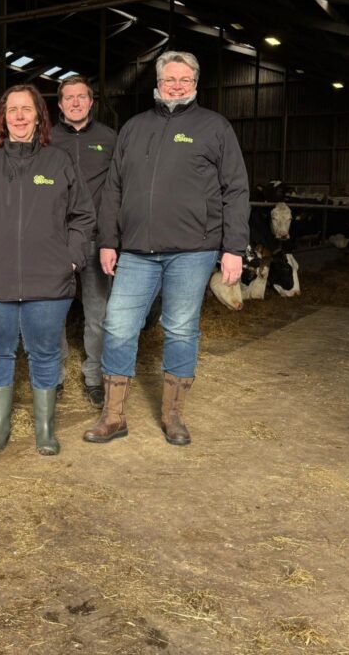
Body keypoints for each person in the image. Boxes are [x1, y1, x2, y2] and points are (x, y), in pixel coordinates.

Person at [86, 50, 249, 446]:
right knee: (118, 325)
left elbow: (235, 188)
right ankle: (113, 415)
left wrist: (234, 247)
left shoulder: (215, 127)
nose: (177, 86)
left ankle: (173, 415)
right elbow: (113, 188)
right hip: (136, 250)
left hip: (193, 249)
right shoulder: (134, 128)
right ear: (157, 83)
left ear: (195, 84)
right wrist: (108, 240)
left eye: (184, 79)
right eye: (169, 79)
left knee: (180, 328)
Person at [0, 84, 95, 456]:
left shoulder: (59, 161)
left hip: (49, 280)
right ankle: (0, 423)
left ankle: (45, 428)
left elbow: (83, 216)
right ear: (3, 117)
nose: (19, 116)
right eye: (12, 110)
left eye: (27, 109)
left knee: (45, 352)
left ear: (38, 117)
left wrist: (71, 258)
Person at [49, 75, 117, 409]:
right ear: (60, 104)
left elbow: (117, 190)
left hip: (95, 241)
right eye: (69, 98)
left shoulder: (109, 138)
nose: (75, 103)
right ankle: (55, 377)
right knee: (54, 313)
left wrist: (111, 238)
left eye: (81, 97)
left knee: (98, 315)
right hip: (56, 241)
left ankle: (94, 377)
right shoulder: (47, 138)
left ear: (91, 102)